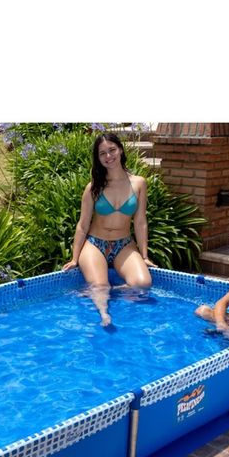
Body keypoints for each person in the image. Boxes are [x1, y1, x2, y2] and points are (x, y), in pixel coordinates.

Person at [62, 132, 155, 327]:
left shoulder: (138, 183)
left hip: (124, 244)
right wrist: (74, 258)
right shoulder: (93, 188)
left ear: (120, 150)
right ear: (98, 158)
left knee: (143, 284)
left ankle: (104, 291)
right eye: (102, 153)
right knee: (100, 285)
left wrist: (144, 256)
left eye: (112, 150)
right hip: (95, 244)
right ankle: (104, 314)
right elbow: (83, 225)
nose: (108, 156)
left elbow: (140, 221)